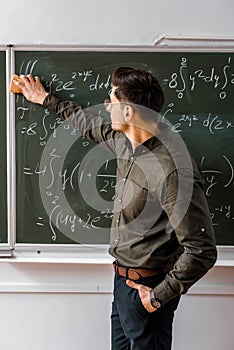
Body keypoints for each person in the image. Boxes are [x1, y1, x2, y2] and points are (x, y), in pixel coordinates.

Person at [14, 67, 217, 350]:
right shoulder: (124, 142)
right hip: (122, 284)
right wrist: (45, 98)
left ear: (128, 112)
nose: (106, 105)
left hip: (147, 291)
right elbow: (85, 122)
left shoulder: (172, 169)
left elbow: (201, 250)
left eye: (111, 99)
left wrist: (156, 298)